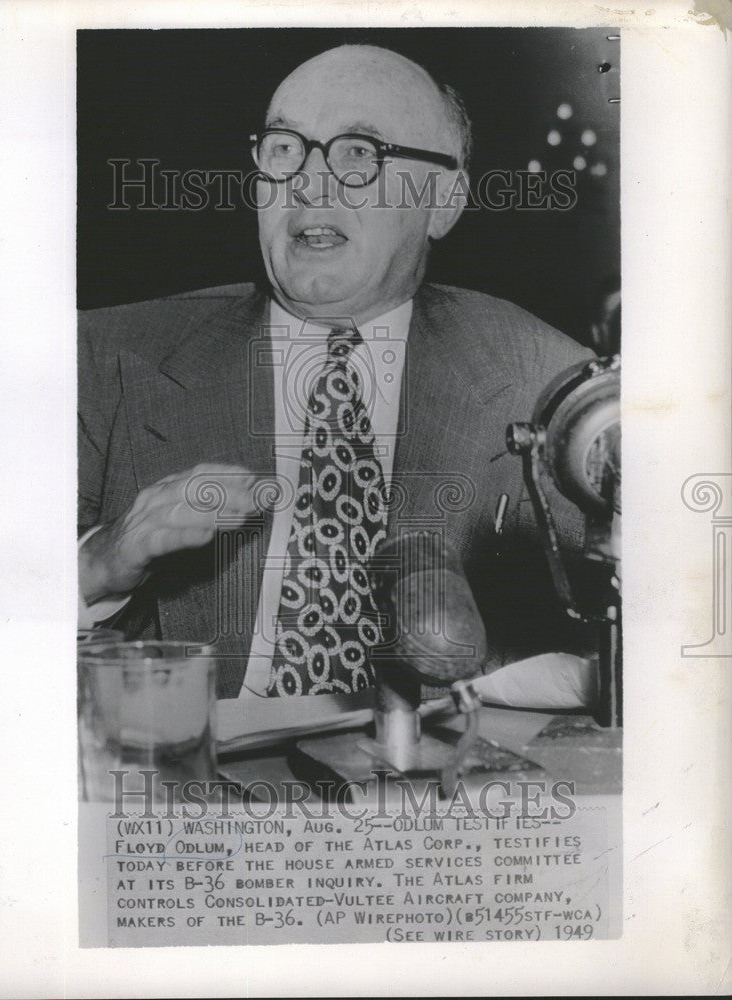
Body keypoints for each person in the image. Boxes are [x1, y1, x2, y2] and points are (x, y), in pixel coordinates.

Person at [79, 44, 593, 700]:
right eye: (285, 148)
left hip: (437, 780)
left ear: (443, 201)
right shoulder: (103, 361)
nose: (308, 184)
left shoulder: (555, 388)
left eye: (358, 152)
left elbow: (654, 643)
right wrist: (99, 564)